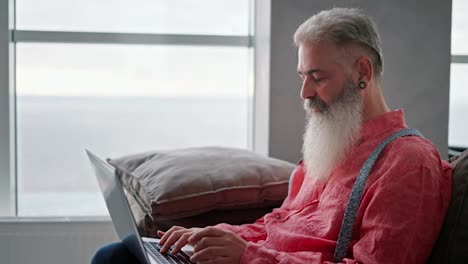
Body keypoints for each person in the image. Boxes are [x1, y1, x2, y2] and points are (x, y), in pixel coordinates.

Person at [91, 7, 452, 264]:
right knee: (122, 252)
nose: (305, 93)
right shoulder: (332, 145)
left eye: (318, 77)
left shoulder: (408, 163)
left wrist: (248, 257)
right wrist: (218, 237)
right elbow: (279, 223)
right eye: (302, 76)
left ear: (362, 71)